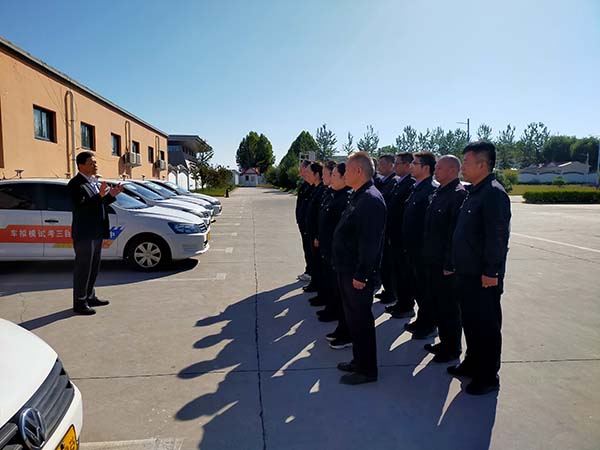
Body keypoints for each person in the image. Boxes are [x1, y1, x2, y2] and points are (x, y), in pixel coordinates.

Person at [447, 141, 511, 395]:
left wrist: (491, 272)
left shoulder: (493, 193)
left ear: (483, 165)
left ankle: (487, 376)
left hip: (483, 276)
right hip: (467, 272)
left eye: (466, 162)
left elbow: (497, 236)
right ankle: (472, 363)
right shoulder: (475, 192)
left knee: (486, 326)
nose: (463, 167)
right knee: (471, 322)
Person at [332, 152, 386, 385]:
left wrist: (362, 274)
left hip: (357, 274)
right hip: (347, 269)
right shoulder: (359, 195)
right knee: (353, 319)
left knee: (361, 321)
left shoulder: (371, 199)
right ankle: (358, 360)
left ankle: (367, 370)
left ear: (359, 171)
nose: (344, 174)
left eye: (347, 170)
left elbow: (370, 242)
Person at [421, 155, 467, 363]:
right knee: (438, 304)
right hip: (432, 259)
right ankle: (444, 341)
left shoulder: (458, 195)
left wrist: (450, 263)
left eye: (439, 168)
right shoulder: (440, 192)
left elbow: (455, 233)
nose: (436, 171)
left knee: (449, 307)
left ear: (452, 171)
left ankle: (452, 348)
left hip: (445, 264)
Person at [68, 151, 123, 315]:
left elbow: (99, 204)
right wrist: (99, 195)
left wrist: (111, 195)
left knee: (94, 267)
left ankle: (90, 296)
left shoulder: (92, 182)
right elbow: (82, 207)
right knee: (83, 268)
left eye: (95, 162)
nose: (95, 165)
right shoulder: (75, 184)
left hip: (96, 231)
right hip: (85, 233)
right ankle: (79, 302)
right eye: (91, 163)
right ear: (81, 166)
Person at [402, 151, 438, 339]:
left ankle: (429, 325)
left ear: (425, 168)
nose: (411, 166)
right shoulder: (417, 187)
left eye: (415, 164)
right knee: (417, 288)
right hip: (412, 249)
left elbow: (428, 225)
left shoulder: (430, 189)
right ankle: (421, 320)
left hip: (422, 251)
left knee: (426, 290)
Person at [315, 163, 352, 347]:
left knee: (342, 296)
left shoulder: (346, 198)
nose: (330, 178)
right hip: (330, 250)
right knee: (334, 288)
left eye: (334, 175)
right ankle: (341, 327)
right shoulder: (333, 194)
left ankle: (345, 332)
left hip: (340, 254)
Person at [384, 153, 416, 318]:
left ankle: (406, 306)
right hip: (393, 235)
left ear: (407, 165)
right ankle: (400, 302)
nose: (394, 166)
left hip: (401, 237)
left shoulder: (410, 184)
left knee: (404, 274)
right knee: (397, 272)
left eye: (397, 163)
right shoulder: (399, 182)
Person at [373, 154, 399, 305]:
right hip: (384, 229)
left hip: (390, 230)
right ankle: (388, 290)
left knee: (390, 265)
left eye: (382, 164)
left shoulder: (393, 182)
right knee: (384, 264)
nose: (379, 167)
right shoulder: (385, 181)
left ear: (391, 165)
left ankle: (392, 293)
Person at [304, 162, 327, 304]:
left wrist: (318, 235)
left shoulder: (322, 190)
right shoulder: (314, 188)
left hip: (318, 235)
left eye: (308, 172)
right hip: (311, 232)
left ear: (316, 174)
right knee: (314, 262)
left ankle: (321, 291)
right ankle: (316, 286)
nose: (305, 175)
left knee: (319, 264)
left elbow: (321, 216)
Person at [295, 160, 313, 283]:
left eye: (302, 168)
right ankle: (309, 270)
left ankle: (311, 272)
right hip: (303, 222)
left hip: (308, 223)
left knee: (310, 249)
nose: (300, 170)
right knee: (306, 248)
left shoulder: (311, 186)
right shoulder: (305, 184)